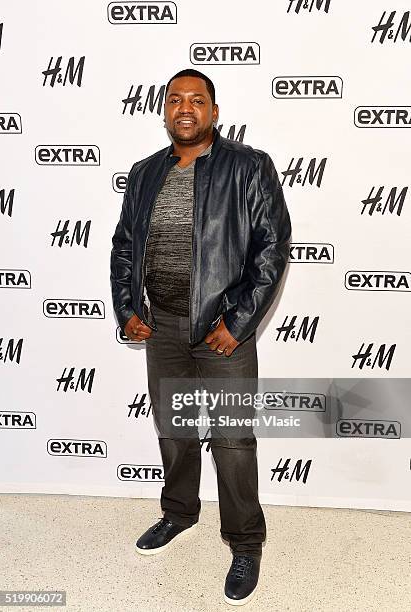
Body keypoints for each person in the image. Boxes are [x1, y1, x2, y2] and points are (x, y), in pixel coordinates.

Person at [110, 68, 292, 606]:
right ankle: (179, 514)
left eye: (197, 100)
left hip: (221, 332)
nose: (184, 108)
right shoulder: (145, 173)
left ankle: (245, 542)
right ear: (164, 110)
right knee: (175, 430)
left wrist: (236, 324)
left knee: (233, 443)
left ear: (214, 111)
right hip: (162, 326)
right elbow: (124, 247)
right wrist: (127, 309)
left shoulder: (250, 167)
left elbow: (271, 250)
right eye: (174, 100)